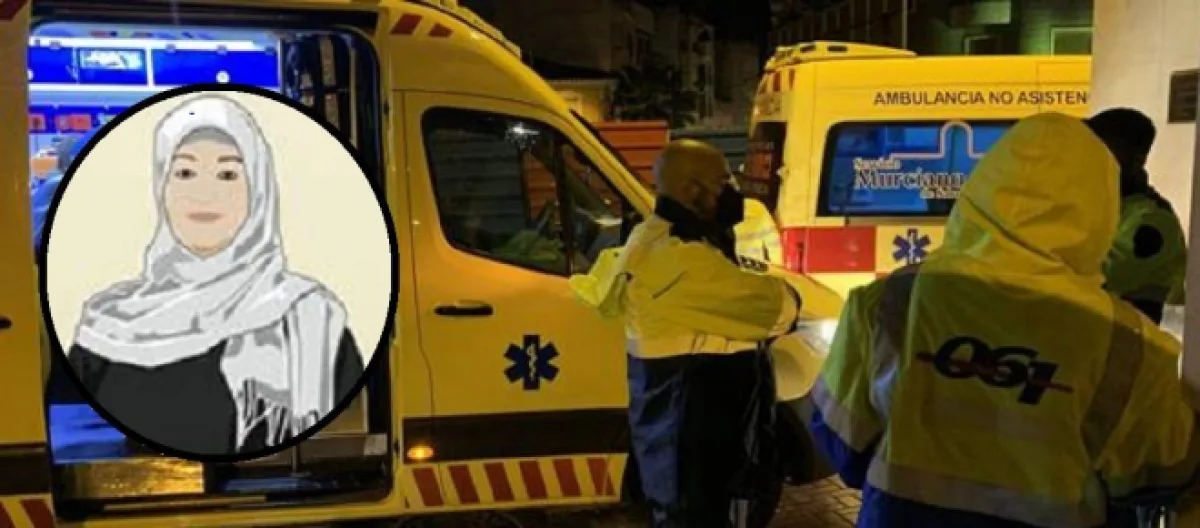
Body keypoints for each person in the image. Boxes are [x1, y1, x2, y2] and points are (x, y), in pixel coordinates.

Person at [808, 112, 1200, 528]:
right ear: (1101, 208)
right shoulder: (1128, 344)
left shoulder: (886, 303)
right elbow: (1162, 472)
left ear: (980, 187)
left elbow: (840, 443)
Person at [62, 94, 363, 457]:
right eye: (185, 173)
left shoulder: (310, 317)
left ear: (259, 190)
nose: (204, 194)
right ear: (161, 188)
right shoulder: (107, 321)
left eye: (228, 174)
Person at [569, 139, 802, 527]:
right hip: (694, 446)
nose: (733, 192)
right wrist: (787, 293)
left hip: (681, 443)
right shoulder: (681, 260)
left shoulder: (655, 238)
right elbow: (779, 308)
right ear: (691, 190)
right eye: (723, 182)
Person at [1085, 108, 1187, 325]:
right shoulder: (1103, 203)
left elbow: (1099, 276)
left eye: (1101, 151)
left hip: (1125, 338)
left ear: (1134, 160)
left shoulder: (1151, 220)